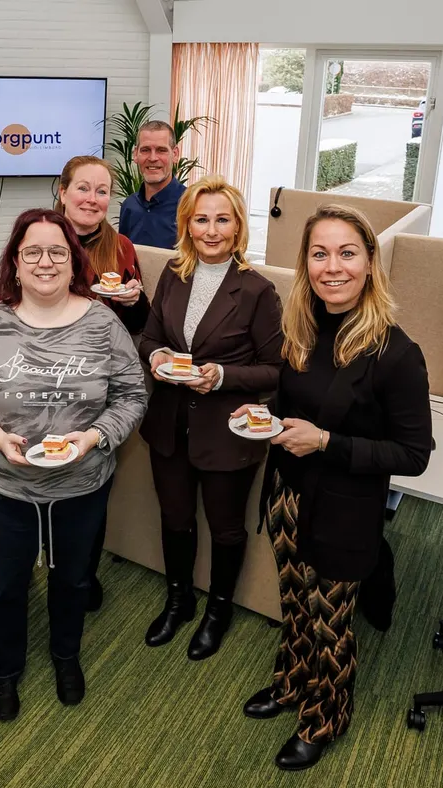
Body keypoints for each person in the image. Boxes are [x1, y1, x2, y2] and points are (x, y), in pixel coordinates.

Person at [238, 204, 431, 772]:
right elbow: (295, 401)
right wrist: (265, 414)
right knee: (294, 601)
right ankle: (292, 683)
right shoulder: (301, 327)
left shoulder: (396, 354)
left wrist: (326, 442)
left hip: (345, 508)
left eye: (347, 253)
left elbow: (413, 455)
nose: (333, 267)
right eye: (319, 254)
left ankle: (327, 714)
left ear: (370, 262)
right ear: (305, 263)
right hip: (287, 496)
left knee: (329, 620)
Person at [0, 208, 148, 723]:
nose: (45, 261)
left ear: (73, 259)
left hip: (82, 484)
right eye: (31, 251)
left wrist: (96, 436)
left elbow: (131, 394)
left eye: (57, 251)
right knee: (4, 586)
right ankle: (4, 670)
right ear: (14, 262)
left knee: (74, 582)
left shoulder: (102, 322)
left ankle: (66, 657)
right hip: (5, 487)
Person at [0, 154, 151, 612]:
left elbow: (141, 325)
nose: (92, 197)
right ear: (63, 192)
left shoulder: (122, 247)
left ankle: (78, 579)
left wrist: (134, 298)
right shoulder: (32, 238)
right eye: (83, 188)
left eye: (102, 190)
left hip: (94, 383)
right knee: (9, 564)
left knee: (80, 531)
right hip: (21, 415)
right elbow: (7, 303)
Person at [138, 176, 284, 661]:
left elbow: (274, 370)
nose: (212, 229)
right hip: (169, 424)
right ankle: (178, 600)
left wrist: (221, 376)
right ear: (187, 224)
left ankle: (216, 613)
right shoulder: (173, 274)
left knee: (225, 528)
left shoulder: (259, 290)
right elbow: (150, 335)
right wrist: (157, 355)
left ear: (238, 225)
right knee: (175, 520)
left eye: (223, 219)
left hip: (225, 431)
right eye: (201, 219)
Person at [118, 121, 186, 249]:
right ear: (135, 154)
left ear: (175, 154)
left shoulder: (190, 204)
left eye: (161, 150)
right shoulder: (129, 205)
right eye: (145, 150)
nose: (153, 158)